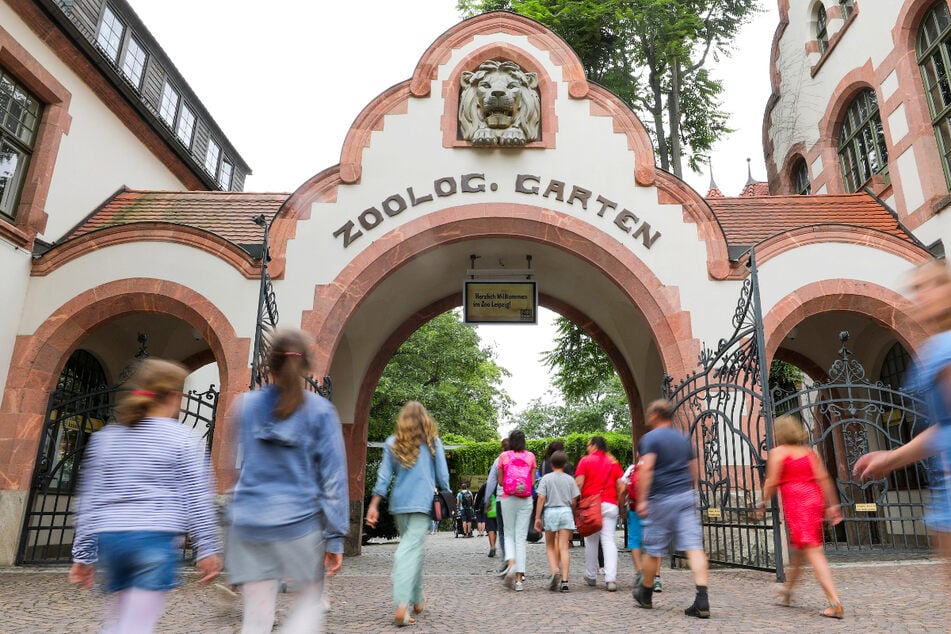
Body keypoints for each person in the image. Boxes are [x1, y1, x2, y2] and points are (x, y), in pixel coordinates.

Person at [69, 359, 222, 633]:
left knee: (121, 620)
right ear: (175, 397)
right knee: (137, 625)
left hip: (112, 540)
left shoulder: (108, 437)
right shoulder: (183, 438)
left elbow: (89, 499)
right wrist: (207, 547)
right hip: (155, 538)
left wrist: (82, 554)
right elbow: (197, 497)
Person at [226, 329, 349, 634]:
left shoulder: (245, 406)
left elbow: (234, 469)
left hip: (249, 524)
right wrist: (335, 538)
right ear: (307, 367)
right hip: (298, 526)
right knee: (308, 609)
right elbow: (333, 480)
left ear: (269, 367)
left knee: (255, 619)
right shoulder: (321, 411)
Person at [853, 259, 951, 597]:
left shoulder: (945, 349)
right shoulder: (936, 347)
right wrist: (890, 458)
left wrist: (890, 460)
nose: (919, 296)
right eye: (916, 289)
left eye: (928, 286)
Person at [366, 401, 450, 626]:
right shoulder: (433, 443)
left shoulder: (393, 442)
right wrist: (447, 495)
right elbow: (443, 477)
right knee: (408, 551)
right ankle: (402, 606)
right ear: (425, 419)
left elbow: (384, 477)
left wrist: (374, 504)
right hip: (422, 505)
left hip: (400, 504)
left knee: (414, 550)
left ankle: (418, 598)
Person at [758, 416, 844, 618]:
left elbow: (772, 481)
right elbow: (824, 479)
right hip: (814, 500)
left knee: (814, 552)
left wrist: (762, 502)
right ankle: (787, 592)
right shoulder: (809, 453)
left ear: (779, 434)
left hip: (797, 503)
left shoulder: (778, 453)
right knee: (800, 551)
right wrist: (833, 506)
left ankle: (835, 602)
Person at [632, 399, 710, 618]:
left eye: (649, 413)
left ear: (656, 415)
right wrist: (690, 492)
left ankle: (646, 594)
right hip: (685, 496)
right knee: (694, 546)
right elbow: (694, 469)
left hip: (661, 498)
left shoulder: (650, 439)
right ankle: (702, 598)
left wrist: (643, 499)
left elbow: (646, 469)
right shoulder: (684, 438)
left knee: (654, 548)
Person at [575, 435, 624, 592]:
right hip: (610, 504)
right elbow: (621, 486)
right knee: (609, 540)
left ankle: (591, 575)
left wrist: (577, 502)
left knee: (591, 540)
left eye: (589, 445)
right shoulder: (613, 462)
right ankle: (610, 579)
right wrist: (620, 503)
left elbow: (578, 483)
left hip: (591, 505)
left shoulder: (585, 461)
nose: (587, 448)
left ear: (594, 445)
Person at [533, 450, 580, 592]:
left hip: (551, 512)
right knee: (564, 547)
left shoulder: (546, 479)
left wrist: (537, 517)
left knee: (549, 546)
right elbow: (574, 501)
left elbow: (541, 498)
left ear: (551, 464)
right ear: (565, 464)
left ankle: (555, 570)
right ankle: (565, 581)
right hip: (565, 511)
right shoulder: (570, 479)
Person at [497, 429, 537, 591]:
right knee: (521, 537)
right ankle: (519, 581)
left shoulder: (504, 457)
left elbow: (500, 482)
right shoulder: (530, 457)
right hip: (525, 499)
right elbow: (533, 481)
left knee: (509, 534)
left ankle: (511, 564)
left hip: (508, 498)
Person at [621, 454, 647, 588]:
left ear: (637, 454)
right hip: (653, 509)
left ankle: (639, 572)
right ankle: (657, 576)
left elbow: (622, 489)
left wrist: (621, 507)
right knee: (653, 541)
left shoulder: (632, 469)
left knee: (635, 540)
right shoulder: (657, 468)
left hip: (634, 508)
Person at [485, 438, 510, 565]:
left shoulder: (499, 460)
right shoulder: (522, 457)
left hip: (502, 498)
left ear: (502, 448)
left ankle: (507, 558)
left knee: (502, 531)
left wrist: (487, 499)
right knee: (515, 532)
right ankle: (517, 560)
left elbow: (491, 482)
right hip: (519, 499)